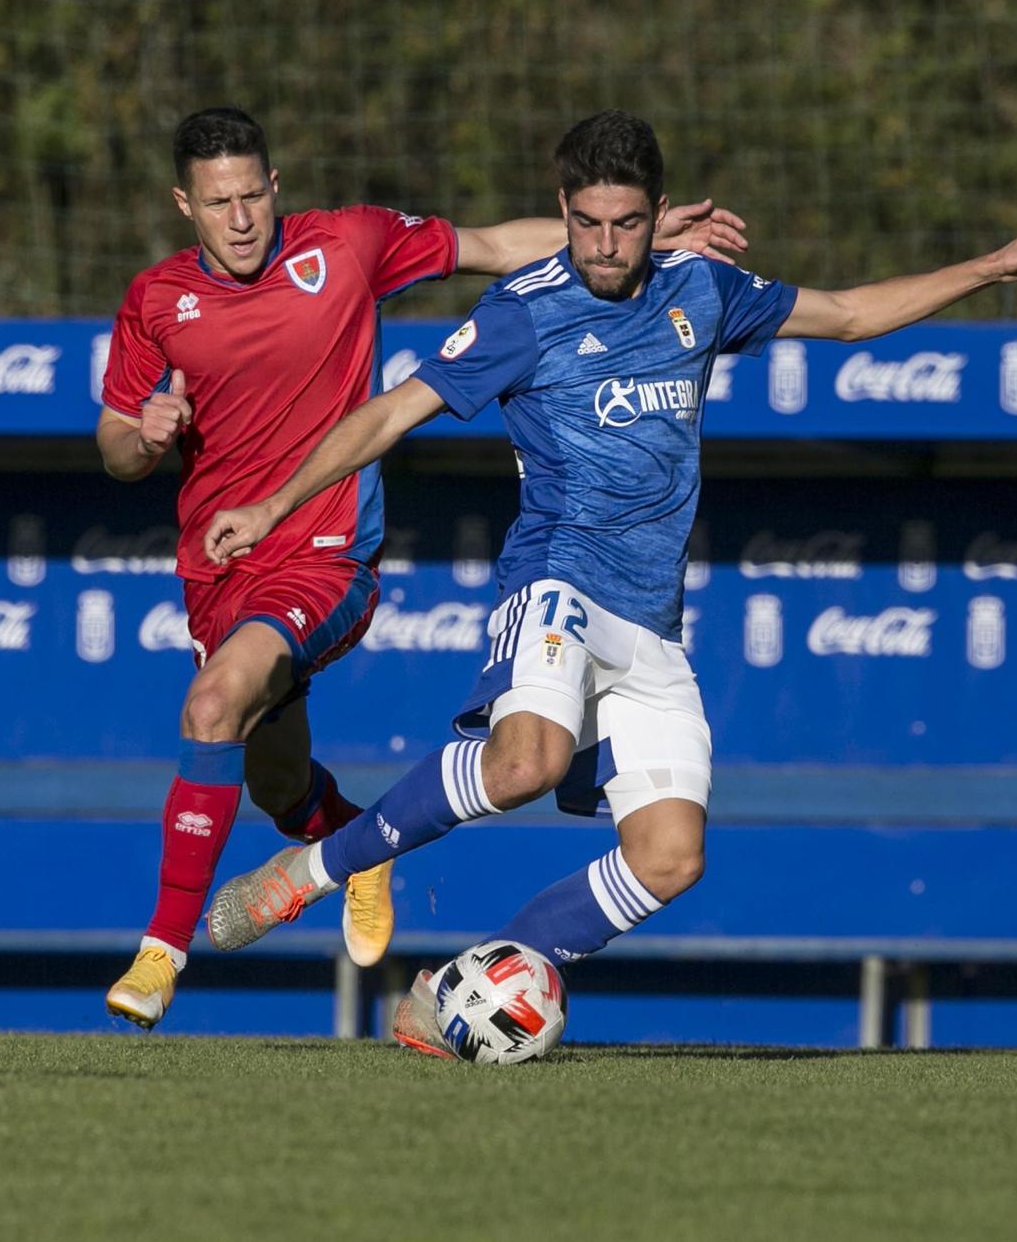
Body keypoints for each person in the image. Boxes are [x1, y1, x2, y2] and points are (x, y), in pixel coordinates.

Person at [201, 109, 1017, 1054]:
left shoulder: (703, 290)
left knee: (671, 858)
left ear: (658, 213)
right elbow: (389, 414)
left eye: (625, 223)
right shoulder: (524, 309)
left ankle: (458, 991)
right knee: (526, 762)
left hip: (650, 623)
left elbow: (853, 315)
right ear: (563, 210)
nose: (605, 244)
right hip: (557, 581)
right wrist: (272, 508)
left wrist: (994, 267)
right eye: (587, 222)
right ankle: (310, 870)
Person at [96, 106, 750, 1029]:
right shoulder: (156, 300)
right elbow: (116, 443)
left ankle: (160, 956)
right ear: (184, 204)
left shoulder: (348, 245)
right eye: (218, 202)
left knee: (211, 704)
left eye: (252, 195)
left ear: (275, 188)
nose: (240, 218)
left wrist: (622, 244)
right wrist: (143, 438)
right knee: (275, 780)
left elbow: (488, 243)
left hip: (325, 553)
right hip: (221, 566)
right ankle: (355, 842)